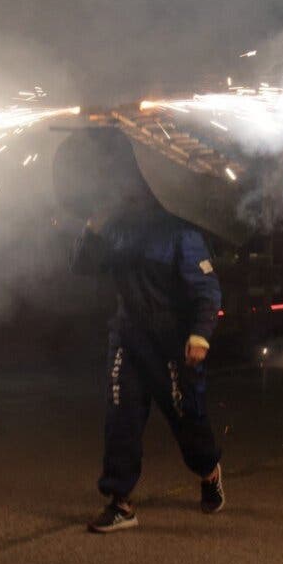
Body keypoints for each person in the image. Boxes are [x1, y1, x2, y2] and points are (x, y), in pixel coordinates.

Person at [68, 131, 224, 533]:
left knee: (187, 416)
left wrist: (200, 335)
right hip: (128, 334)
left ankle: (208, 472)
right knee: (120, 417)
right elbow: (81, 267)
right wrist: (92, 229)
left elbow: (206, 289)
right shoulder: (114, 226)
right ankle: (120, 502)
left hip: (172, 341)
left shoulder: (180, 232)